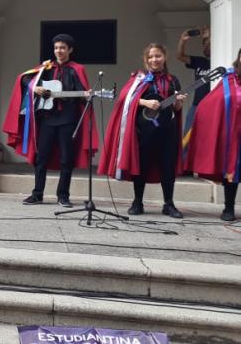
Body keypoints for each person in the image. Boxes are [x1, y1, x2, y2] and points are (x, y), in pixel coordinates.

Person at [2, 34, 96, 207]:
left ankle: (63, 196)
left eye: (62, 48)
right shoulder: (46, 67)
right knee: (41, 158)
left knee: (66, 159)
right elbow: (23, 78)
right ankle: (37, 194)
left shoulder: (77, 69)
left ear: (70, 50)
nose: (58, 51)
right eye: (56, 48)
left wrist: (86, 96)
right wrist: (34, 87)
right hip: (47, 119)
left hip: (68, 120)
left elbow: (82, 96)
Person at [98, 43, 187, 218]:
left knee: (167, 168)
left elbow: (176, 108)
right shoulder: (139, 79)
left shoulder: (172, 80)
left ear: (164, 57)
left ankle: (168, 204)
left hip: (167, 131)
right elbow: (125, 100)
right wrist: (145, 102)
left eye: (158, 56)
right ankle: (137, 202)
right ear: (146, 60)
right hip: (143, 131)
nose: (154, 60)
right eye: (151, 57)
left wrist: (178, 102)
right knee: (142, 166)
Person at [185, 48, 241, 221]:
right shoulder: (229, 80)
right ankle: (229, 207)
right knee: (231, 169)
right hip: (234, 134)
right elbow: (211, 103)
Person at [176, 27, 210, 157]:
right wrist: (183, 40)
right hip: (197, 104)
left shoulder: (220, 59)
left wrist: (210, 35)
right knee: (188, 133)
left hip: (212, 105)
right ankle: (184, 165)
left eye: (208, 42)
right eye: (204, 43)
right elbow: (180, 56)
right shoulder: (200, 61)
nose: (205, 46)